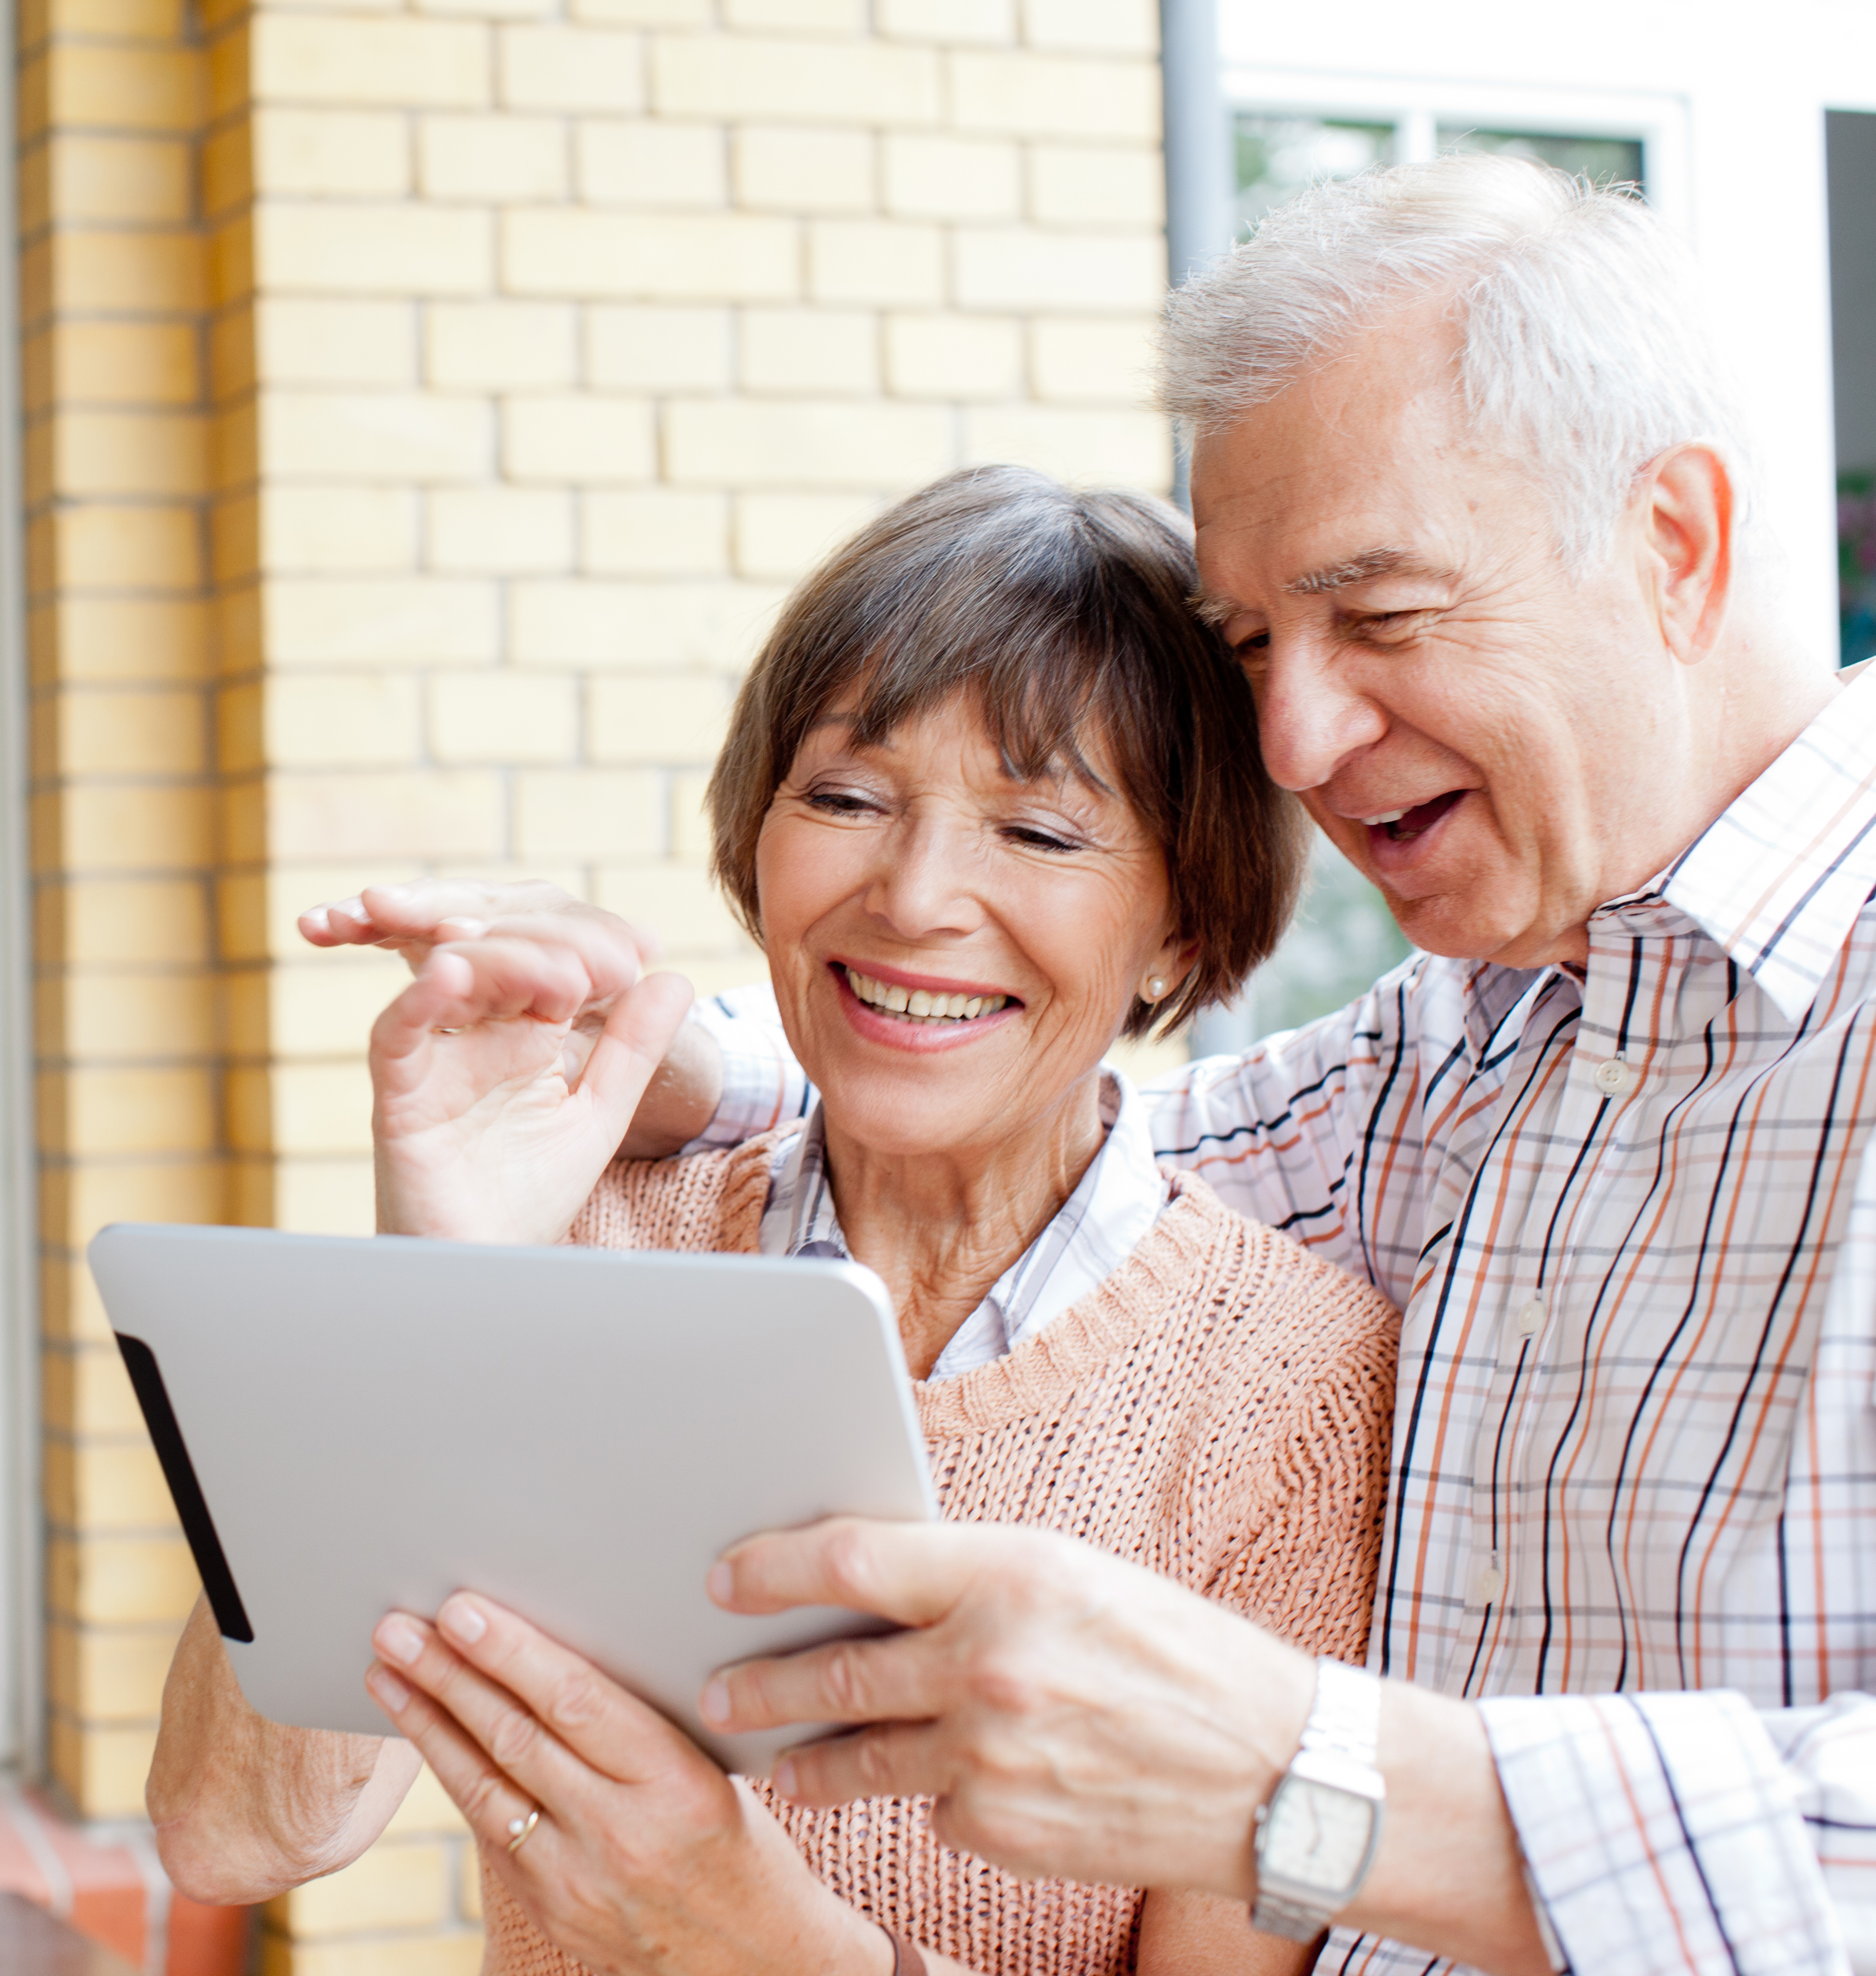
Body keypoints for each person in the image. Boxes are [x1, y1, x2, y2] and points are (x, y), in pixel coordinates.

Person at [308, 154, 1876, 1971]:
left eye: (1379, 614)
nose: (1292, 734)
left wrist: (1301, 1777)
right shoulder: (1485, 1045)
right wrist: (640, 1062)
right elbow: (1041, 1118)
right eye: (1257, 642)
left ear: (1674, 542)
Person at [151, 466, 1410, 1975]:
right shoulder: (595, 1250)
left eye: (1042, 833)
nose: (917, 895)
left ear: (1183, 931)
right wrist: (446, 1282)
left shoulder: (1300, 1388)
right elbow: (234, 1836)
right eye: (846, 799)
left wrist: (753, 1933)